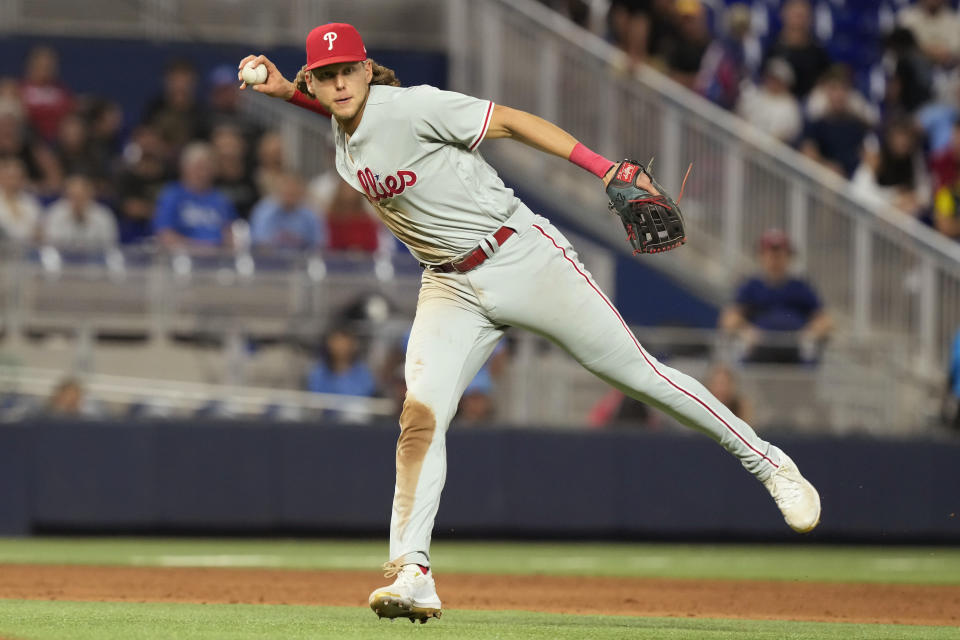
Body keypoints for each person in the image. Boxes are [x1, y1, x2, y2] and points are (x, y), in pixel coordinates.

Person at [238, 22, 822, 623]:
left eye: (347, 71)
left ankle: (769, 462)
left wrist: (600, 169)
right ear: (315, 79)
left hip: (518, 254)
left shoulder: (413, 106)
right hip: (448, 284)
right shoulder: (344, 131)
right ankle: (412, 572)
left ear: (367, 69)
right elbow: (346, 117)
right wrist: (287, 93)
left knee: (639, 376)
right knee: (419, 416)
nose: (338, 84)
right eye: (325, 76)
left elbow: (511, 121)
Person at [721, 229, 832, 363]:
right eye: (770, 254)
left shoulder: (801, 287)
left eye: (780, 254)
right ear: (761, 256)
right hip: (760, 348)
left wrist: (809, 335)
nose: (775, 259)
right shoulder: (751, 287)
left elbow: (824, 321)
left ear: (789, 257)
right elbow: (729, 320)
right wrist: (746, 332)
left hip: (795, 349)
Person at [153, 142, 236, 248]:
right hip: (182, 258)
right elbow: (165, 235)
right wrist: (203, 248)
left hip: (218, 259)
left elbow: (231, 232)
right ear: (185, 168)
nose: (203, 173)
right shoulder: (171, 196)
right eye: (198, 167)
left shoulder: (221, 199)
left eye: (208, 168)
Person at [799, 66, 871, 177]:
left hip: (853, 181)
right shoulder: (816, 124)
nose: (839, 94)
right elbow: (808, 152)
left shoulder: (857, 125)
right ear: (826, 91)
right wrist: (827, 166)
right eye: (834, 89)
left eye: (843, 89)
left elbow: (867, 154)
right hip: (824, 179)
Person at [762, 0, 832, 99]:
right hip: (779, 100)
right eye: (794, 14)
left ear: (810, 18)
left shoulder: (818, 51)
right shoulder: (772, 48)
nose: (798, 19)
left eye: (802, 15)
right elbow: (765, 78)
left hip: (810, 100)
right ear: (783, 15)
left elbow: (825, 79)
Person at [249, 170, 323, 250]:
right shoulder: (263, 211)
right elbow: (259, 244)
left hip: (302, 260)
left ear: (301, 190)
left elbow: (319, 245)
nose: (290, 190)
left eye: (293, 188)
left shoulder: (311, 214)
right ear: (278, 189)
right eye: (286, 187)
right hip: (270, 260)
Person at [735, 58, 803, 144]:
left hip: (767, 153)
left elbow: (784, 136)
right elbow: (740, 115)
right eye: (771, 77)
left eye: (777, 80)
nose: (772, 82)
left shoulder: (790, 108)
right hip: (741, 145)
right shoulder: (756, 93)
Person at [43, 174, 118, 250]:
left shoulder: (103, 215)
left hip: (95, 259)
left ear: (90, 194)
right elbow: (50, 242)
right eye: (72, 196)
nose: (77, 200)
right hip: (63, 258)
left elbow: (109, 243)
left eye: (81, 196)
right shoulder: (55, 212)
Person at [0, 157, 42, 245]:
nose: (13, 181)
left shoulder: (31, 203)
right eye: (9, 176)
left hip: (26, 252)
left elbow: (38, 231)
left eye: (17, 177)